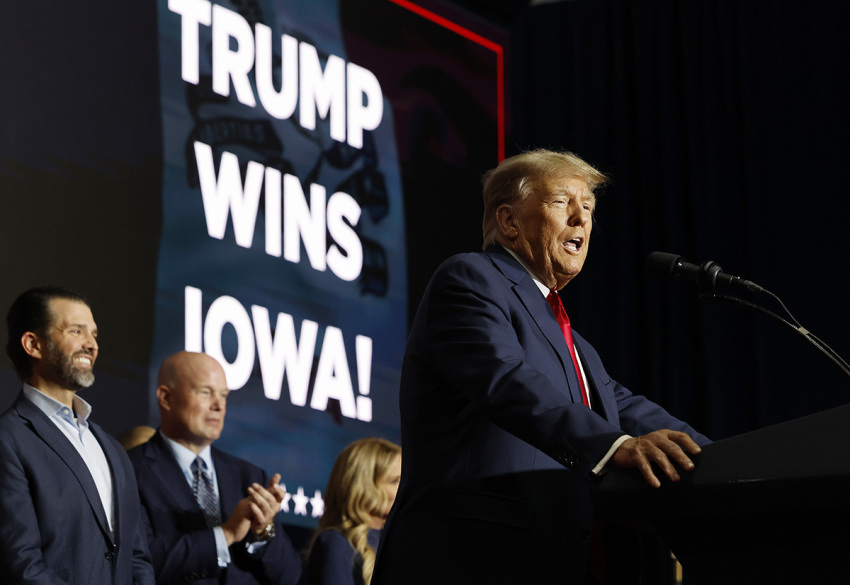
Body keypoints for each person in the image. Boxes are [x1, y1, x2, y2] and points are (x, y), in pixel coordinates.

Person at [371, 150, 711, 585]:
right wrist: (614, 446)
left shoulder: (577, 344)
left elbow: (625, 406)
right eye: (560, 203)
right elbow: (505, 379)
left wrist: (718, 458)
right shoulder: (469, 278)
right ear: (509, 222)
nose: (581, 219)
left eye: (587, 207)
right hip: (472, 560)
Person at [0, 286, 155, 584]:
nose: (91, 344)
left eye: (94, 334)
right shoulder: (9, 440)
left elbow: (137, 556)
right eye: (76, 331)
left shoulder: (111, 448)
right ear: (33, 344)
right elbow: (22, 564)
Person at [127, 351, 302, 585]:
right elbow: (138, 564)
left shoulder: (249, 476)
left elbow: (290, 577)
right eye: (205, 392)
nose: (219, 405)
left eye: (223, 395)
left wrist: (263, 532)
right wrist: (226, 534)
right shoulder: (130, 469)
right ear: (166, 398)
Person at [303, 438, 401, 585]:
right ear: (365, 487)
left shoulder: (401, 541)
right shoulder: (337, 542)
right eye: (394, 481)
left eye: (404, 480)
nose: (403, 489)